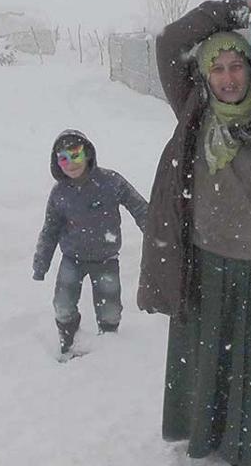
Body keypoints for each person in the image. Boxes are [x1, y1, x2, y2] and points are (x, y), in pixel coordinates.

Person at [136, 0, 251, 466]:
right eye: (216, 68)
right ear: (204, 74)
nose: (226, 78)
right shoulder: (193, 111)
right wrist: (235, 10)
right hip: (205, 262)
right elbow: (170, 40)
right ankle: (208, 442)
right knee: (207, 363)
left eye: (236, 66)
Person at [32, 129, 148, 355]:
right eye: (63, 158)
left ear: (87, 154)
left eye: (75, 154)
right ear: (57, 163)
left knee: (110, 310)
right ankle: (69, 340)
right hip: (72, 259)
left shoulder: (111, 182)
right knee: (63, 305)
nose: (71, 163)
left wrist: (155, 234)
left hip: (106, 258)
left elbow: (139, 207)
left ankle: (109, 345)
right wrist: (41, 263)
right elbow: (50, 230)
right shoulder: (60, 193)